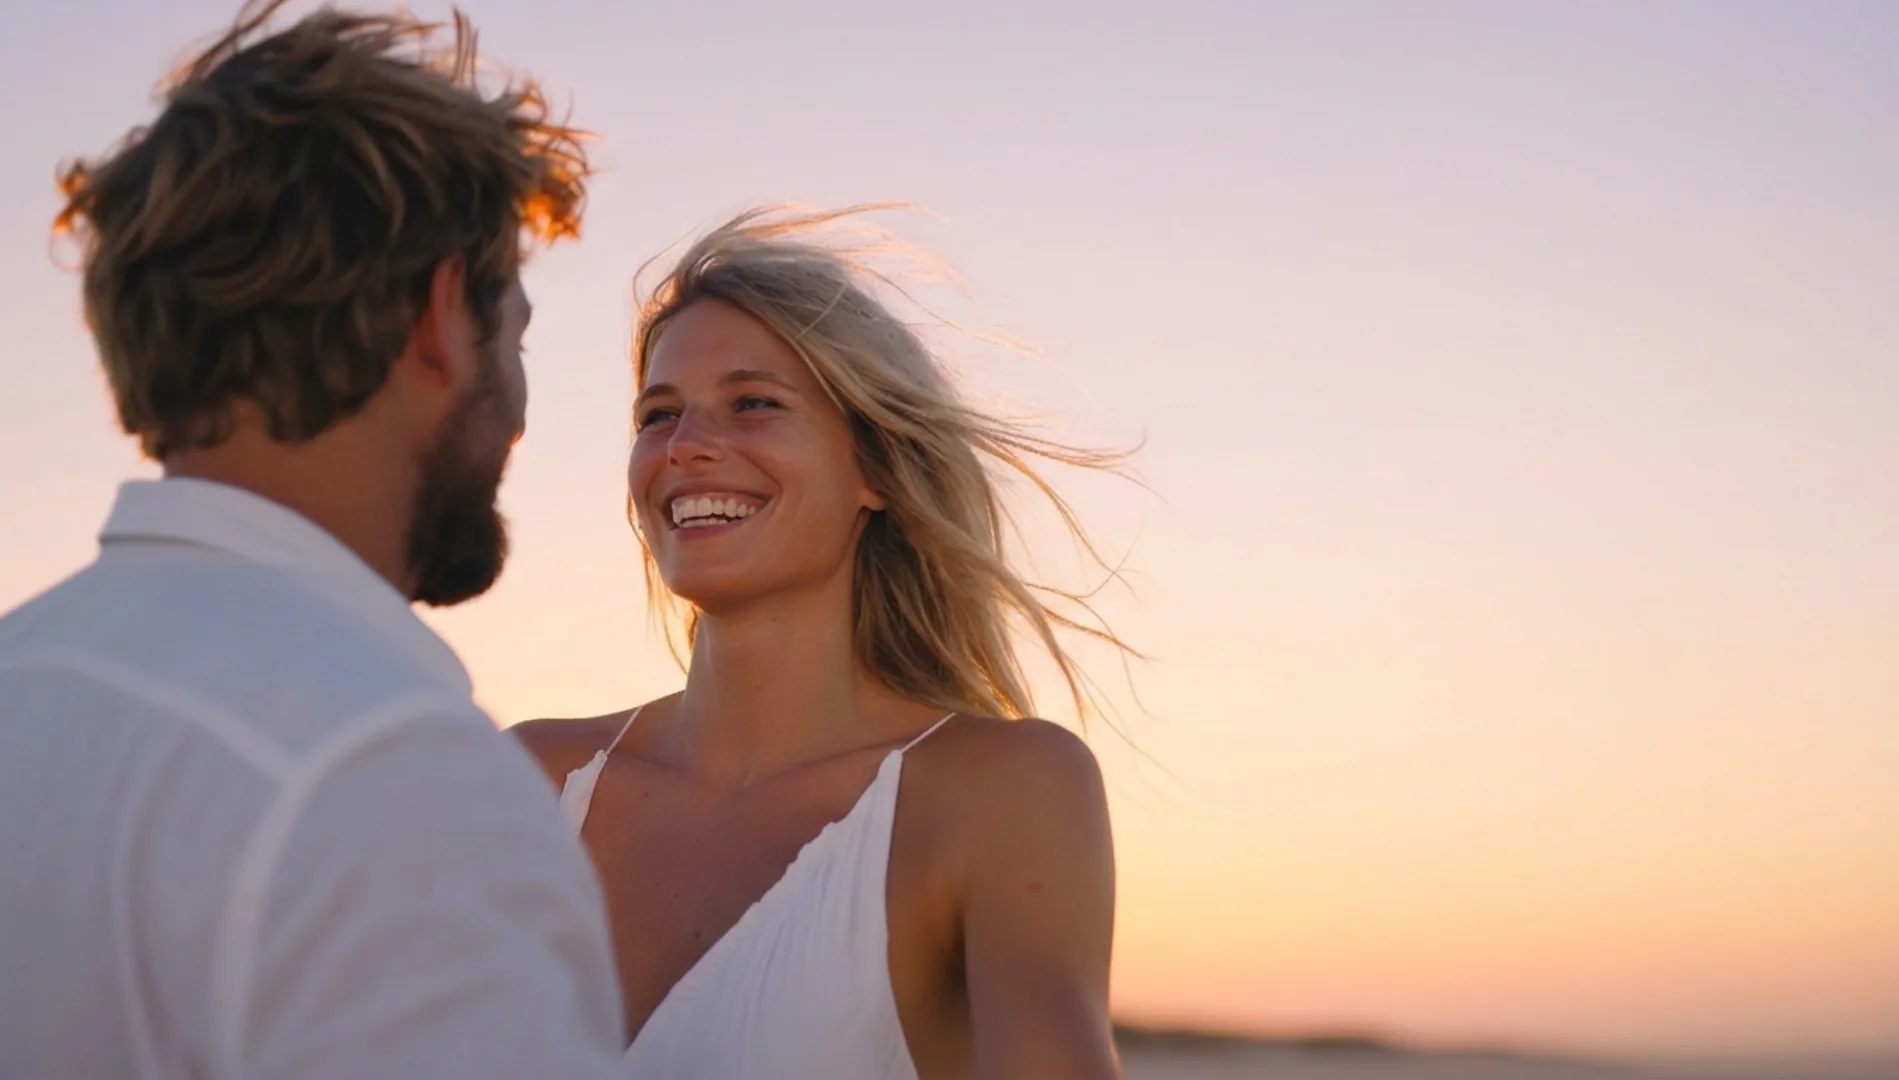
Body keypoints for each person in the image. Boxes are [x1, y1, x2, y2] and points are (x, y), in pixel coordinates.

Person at [0, 3, 627, 1078]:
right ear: (441, 318)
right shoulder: (397, 778)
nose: (519, 410)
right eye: (512, 330)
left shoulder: (28, 676)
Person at [514, 206, 1131, 1079]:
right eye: (659, 413)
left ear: (875, 469)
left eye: (753, 403)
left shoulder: (1000, 794)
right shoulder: (530, 781)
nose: (686, 447)